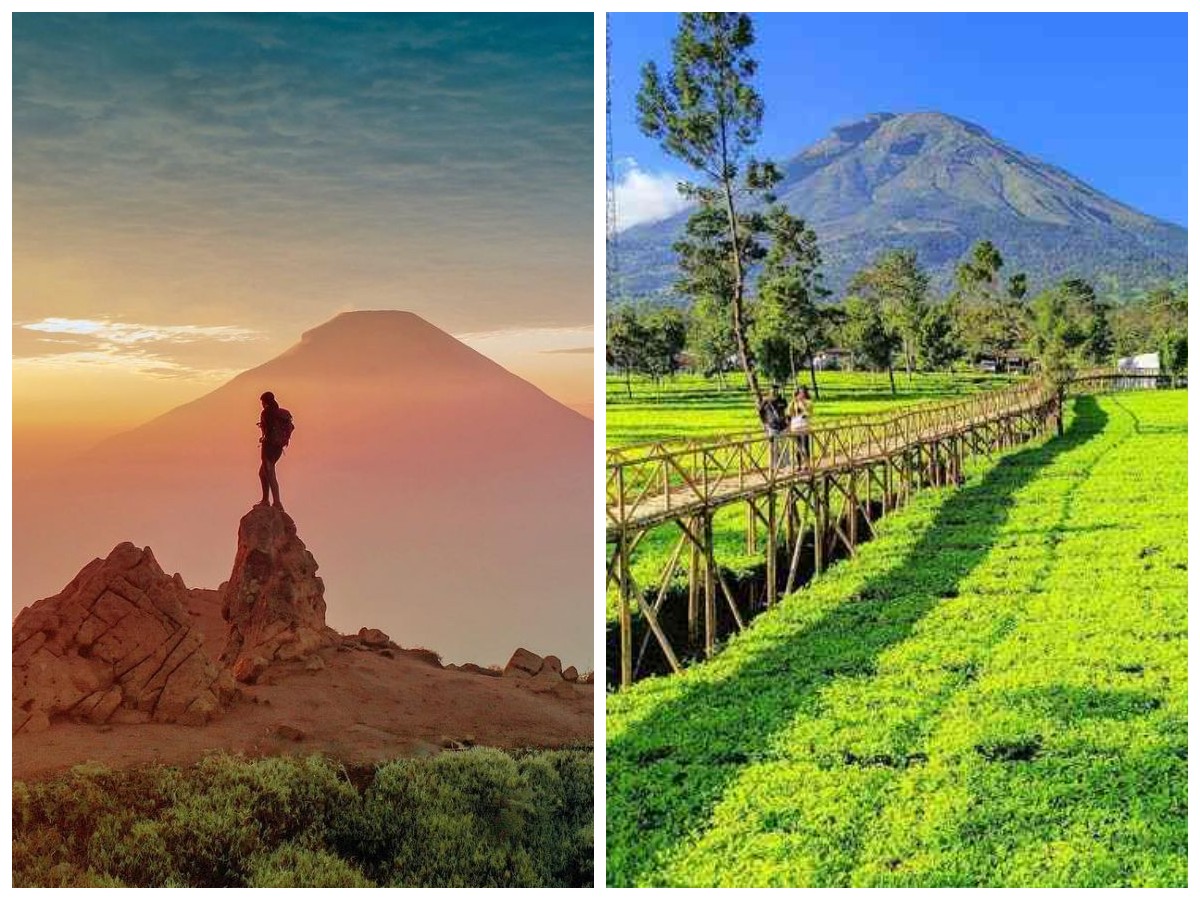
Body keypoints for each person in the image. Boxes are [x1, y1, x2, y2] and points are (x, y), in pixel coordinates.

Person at [256, 391, 290, 509]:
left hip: (269, 447)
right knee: (263, 473)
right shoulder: (280, 413)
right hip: (278, 448)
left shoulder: (267, 412)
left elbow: (268, 429)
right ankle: (267, 500)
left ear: (264, 402)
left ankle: (275, 502)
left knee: (269, 473)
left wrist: (264, 437)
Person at [758, 384, 789, 469]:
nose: (774, 392)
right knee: (773, 448)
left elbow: (787, 411)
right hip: (772, 427)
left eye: (776, 390)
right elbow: (760, 412)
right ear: (770, 391)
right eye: (772, 390)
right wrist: (764, 423)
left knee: (785, 447)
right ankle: (774, 466)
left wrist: (788, 422)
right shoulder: (765, 402)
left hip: (783, 426)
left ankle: (787, 465)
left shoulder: (782, 400)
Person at [789, 385, 812, 468]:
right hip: (795, 427)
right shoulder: (794, 402)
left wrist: (801, 402)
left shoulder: (808, 402)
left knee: (805, 446)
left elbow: (808, 413)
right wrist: (793, 401)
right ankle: (799, 465)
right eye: (799, 392)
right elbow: (789, 412)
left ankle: (807, 465)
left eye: (802, 392)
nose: (801, 394)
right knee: (798, 448)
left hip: (804, 427)